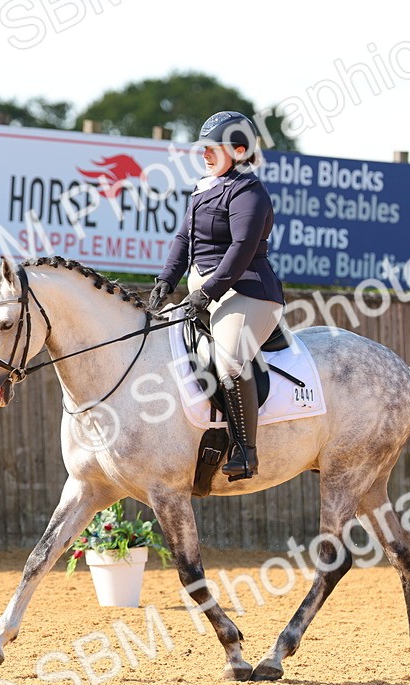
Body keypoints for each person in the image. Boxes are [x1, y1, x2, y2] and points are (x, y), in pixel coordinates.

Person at [147, 111, 284, 481]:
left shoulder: (248, 192)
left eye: (213, 148)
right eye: (203, 147)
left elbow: (242, 248)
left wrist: (208, 291)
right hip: (206, 294)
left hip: (247, 292)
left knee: (230, 360)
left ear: (239, 151)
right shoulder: (204, 187)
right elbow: (183, 240)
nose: (205, 154)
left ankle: (246, 452)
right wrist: (165, 280)